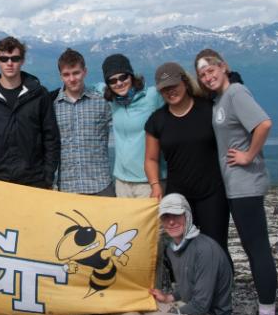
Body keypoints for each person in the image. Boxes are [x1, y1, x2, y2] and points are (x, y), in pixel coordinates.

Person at [195, 48, 278, 315]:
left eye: (211, 70)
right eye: (203, 74)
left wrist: (248, 155)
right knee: (243, 247)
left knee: (256, 248)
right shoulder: (220, 99)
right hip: (232, 185)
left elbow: (263, 123)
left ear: (224, 67)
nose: (208, 77)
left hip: (245, 184)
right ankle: (228, 307)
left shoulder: (236, 93)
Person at [118, 193, 233, 315]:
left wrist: (169, 314)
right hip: (188, 308)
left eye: (176, 215)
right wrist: (168, 297)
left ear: (187, 215)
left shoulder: (206, 250)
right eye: (166, 217)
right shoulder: (173, 248)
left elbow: (201, 306)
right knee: (136, 302)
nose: (171, 222)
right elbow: (188, 285)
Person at [144, 62, 231, 259]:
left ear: (185, 82)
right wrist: (155, 185)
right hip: (178, 196)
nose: (170, 91)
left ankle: (223, 289)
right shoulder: (157, 120)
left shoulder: (209, 110)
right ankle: (187, 290)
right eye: (165, 88)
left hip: (213, 192)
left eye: (173, 85)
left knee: (216, 247)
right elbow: (150, 159)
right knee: (182, 248)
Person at [0, 36, 60, 188]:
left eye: (14, 58)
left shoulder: (39, 95)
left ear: (22, 60)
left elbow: (51, 138)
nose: (9, 63)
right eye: (4, 59)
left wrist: (47, 176)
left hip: (35, 181)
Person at [100, 53, 164, 198]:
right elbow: (84, 87)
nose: (119, 83)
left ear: (131, 76)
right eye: (113, 80)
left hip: (148, 181)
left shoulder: (152, 96)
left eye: (123, 77)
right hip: (122, 182)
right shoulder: (114, 102)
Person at [53, 48, 114, 196]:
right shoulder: (52, 105)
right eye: (66, 74)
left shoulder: (102, 101)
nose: (72, 79)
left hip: (100, 185)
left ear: (84, 72)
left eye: (76, 73)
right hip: (67, 188)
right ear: (61, 76)